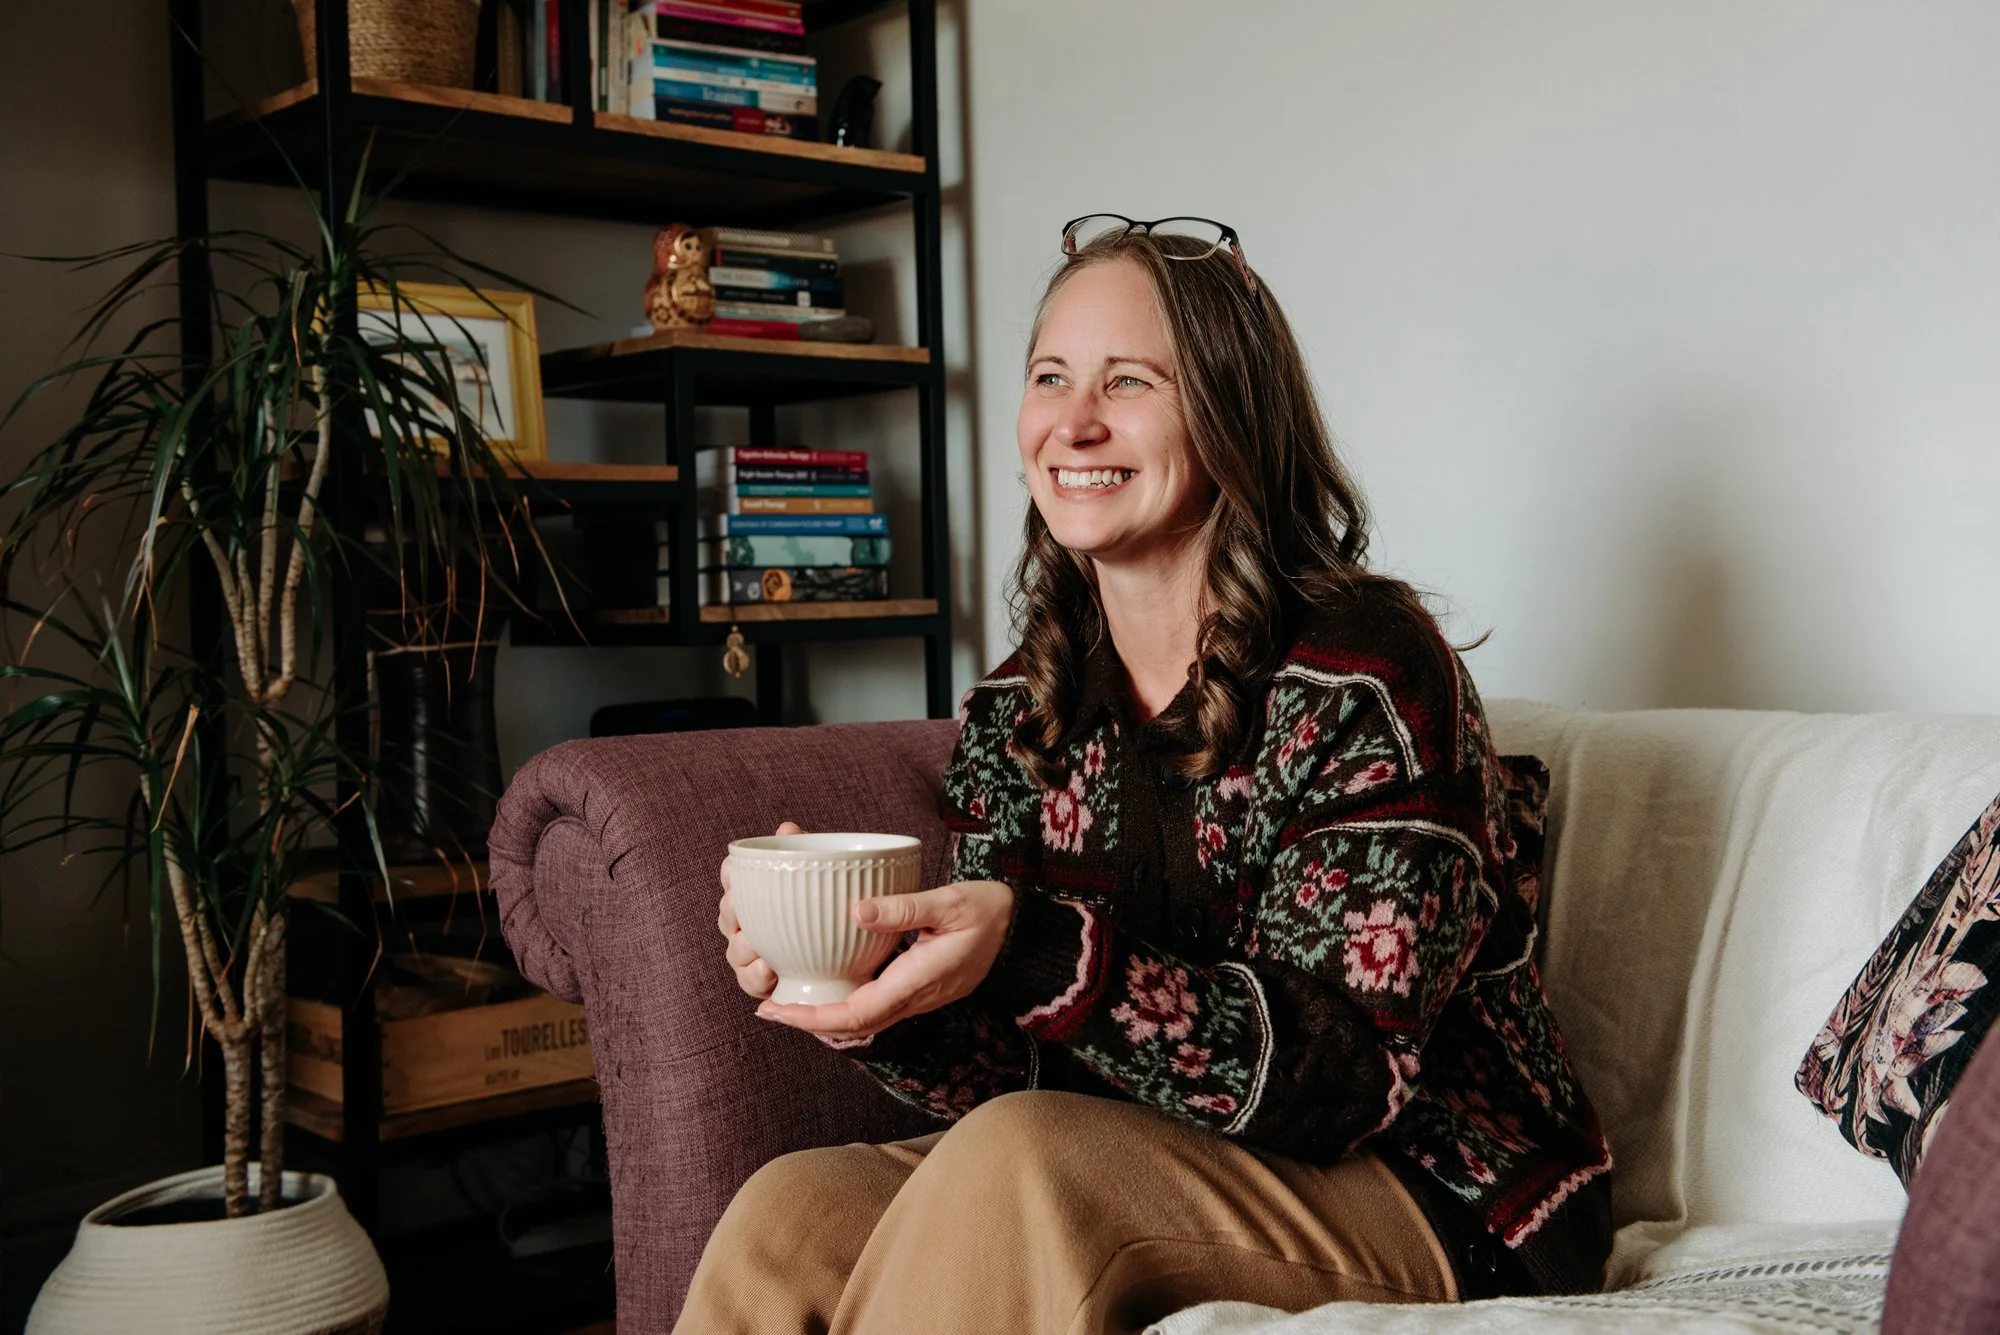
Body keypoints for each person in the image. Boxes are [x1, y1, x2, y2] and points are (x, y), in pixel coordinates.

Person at [681, 215, 1613, 1335]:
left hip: (1434, 1193)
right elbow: (1013, 1081)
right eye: (1049, 377)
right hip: (1149, 1155)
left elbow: (1343, 1079)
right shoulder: (1021, 706)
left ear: (1226, 414)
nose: (1072, 423)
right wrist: (874, 991)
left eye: (1126, 382)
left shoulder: (1366, 672)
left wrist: (1024, 943)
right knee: (793, 1209)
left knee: (1021, 1163)